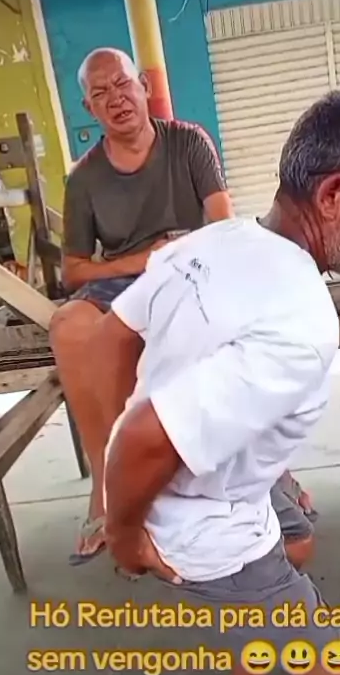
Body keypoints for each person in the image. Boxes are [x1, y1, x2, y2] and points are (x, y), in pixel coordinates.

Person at [99, 88, 340, 675]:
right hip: (205, 528)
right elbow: (149, 438)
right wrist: (123, 532)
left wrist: (265, 465)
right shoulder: (301, 321)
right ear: (334, 193)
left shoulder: (211, 242)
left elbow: (113, 335)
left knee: (298, 538)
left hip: (215, 488)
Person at [49, 47, 316, 566]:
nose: (116, 99)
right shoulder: (83, 179)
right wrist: (142, 259)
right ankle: (105, 486)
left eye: (122, 84)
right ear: (88, 107)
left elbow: (221, 225)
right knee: (68, 325)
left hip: (194, 269)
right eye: (100, 93)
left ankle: (269, 468)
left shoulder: (189, 143)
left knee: (235, 325)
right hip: (125, 280)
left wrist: (177, 256)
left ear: (144, 86)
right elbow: (75, 270)